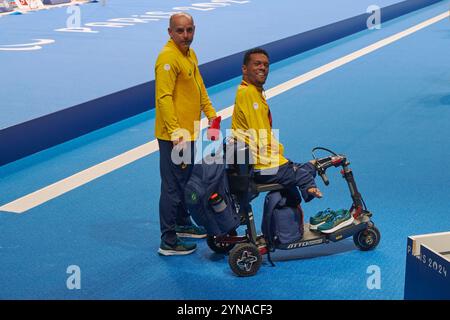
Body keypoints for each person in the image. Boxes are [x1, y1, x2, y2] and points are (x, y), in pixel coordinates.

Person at [231, 48, 354, 232]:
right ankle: (310, 189)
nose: (263, 68)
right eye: (257, 64)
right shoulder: (249, 95)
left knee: (304, 167)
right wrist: (285, 163)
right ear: (244, 69)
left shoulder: (249, 91)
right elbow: (262, 137)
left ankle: (304, 187)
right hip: (260, 165)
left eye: (266, 65)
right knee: (301, 172)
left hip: (254, 161)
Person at [155, 12, 217, 255]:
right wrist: (174, 132)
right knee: (172, 186)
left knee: (185, 181)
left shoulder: (189, 54)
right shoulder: (167, 59)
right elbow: (164, 98)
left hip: (188, 131)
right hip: (175, 136)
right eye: (180, 31)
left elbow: (198, 86)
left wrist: (210, 113)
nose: (185, 35)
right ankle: (168, 240)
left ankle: (182, 224)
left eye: (189, 30)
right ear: (170, 32)